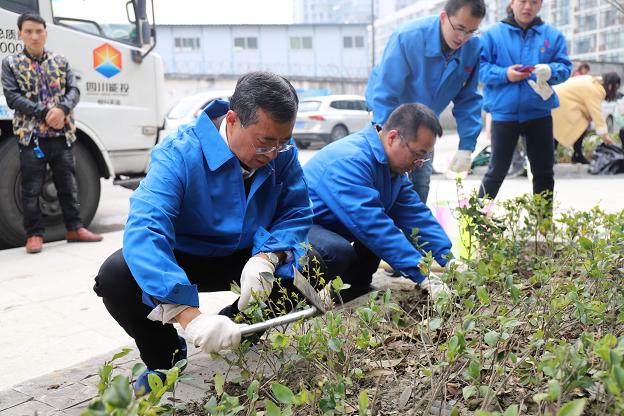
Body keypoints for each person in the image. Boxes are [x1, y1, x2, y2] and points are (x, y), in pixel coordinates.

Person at [94, 71, 314, 395]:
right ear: (233, 119)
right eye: (265, 142)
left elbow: (296, 211)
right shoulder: (179, 154)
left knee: (316, 259)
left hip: (246, 255)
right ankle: (166, 360)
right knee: (117, 276)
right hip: (186, 258)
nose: (273, 153)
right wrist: (189, 316)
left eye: (282, 143)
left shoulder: (282, 153)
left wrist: (270, 255)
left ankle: (239, 327)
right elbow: (146, 227)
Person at [304, 103, 454, 303]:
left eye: (424, 158)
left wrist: (449, 259)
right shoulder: (351, 160)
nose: (418, 164)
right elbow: (372, 226)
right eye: (417, 154)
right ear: (393, 137)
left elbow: (416, 216)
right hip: (300, 227)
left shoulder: (392, 169)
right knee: (339, 250)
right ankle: (293, 301)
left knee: (379, 237)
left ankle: (352, 293)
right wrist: (424, 275)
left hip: (333, 227)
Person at [365, 0, 486, 203]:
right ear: (443, 17)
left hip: (425, 121)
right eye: (459, 28)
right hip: (389, 116)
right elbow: (386, 93)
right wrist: (385, 137)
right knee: (384, 181)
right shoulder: (408, 37)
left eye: (471, 31)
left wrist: (467, 145)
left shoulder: (472, 48)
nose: (462, 37)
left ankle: (414, 235)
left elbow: (468, 99)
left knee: (419, 183)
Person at [1, 12, 102, 253]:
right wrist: (47, 113)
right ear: (20, 34)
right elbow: (12, 97)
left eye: (39, 31)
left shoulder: (61, 61)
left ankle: (75, 228)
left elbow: (74, 91)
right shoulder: (11, 63)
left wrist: (62, 109)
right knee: (31, 188)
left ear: (46, 33)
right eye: (28, 31)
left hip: (62, 135)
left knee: (68, 185)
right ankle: (34, 235)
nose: (34, 36)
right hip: (31, 137)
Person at [477, 0, 572, 206]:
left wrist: (550, 71)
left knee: (544, 172)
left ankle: (543, 227)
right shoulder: (492, 34)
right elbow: (479, 68)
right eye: (522, 1)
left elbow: (565, 67)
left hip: (539, 114)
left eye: (534, 2)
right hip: (504, 113)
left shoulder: (552, 35)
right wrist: (505, 74)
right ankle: (475, 223)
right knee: (497, 170)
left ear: (540, 5)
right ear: (512, 3)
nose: (527, 6)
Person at [552, 72, 620, 164]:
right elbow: (596, 113)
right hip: (561, 104)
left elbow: (584, 103)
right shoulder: (596, 90)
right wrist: (605, 136)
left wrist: (588, 116)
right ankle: (573, 154)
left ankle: (575, 154)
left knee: (562, 129)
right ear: (611, 86)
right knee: (564, 128)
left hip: (557, 99)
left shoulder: (592, 81)